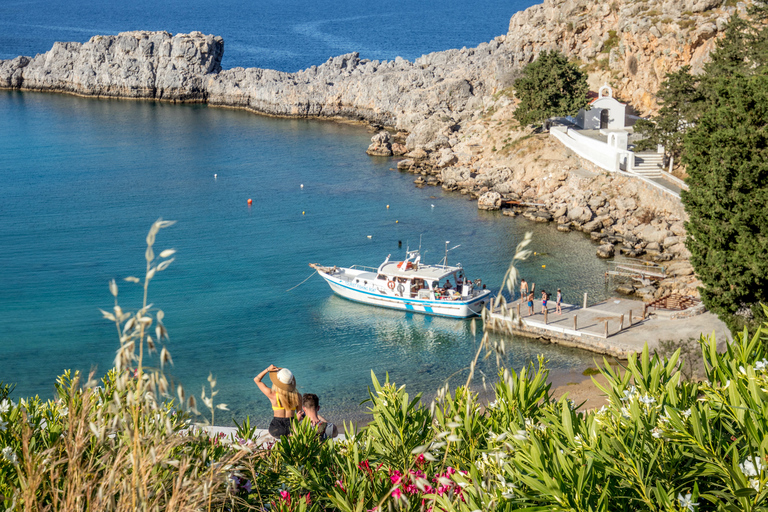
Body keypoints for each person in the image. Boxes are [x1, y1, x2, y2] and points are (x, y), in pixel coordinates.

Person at [254, 364, 301, 439]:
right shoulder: (297, 396)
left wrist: (268, 369)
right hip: (291, 428)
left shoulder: (272, 394)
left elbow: (256, 380)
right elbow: (299, 414)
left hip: (276, 429)